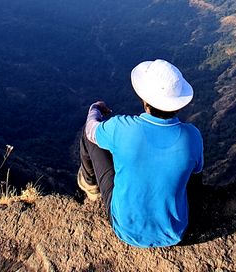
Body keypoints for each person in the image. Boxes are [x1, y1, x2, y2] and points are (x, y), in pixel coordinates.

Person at [77, 58, 204, 248]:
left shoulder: (121, 127)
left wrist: (94, 110)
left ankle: (89, 185)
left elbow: (91, 130)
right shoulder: (193, 137)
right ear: (177, 104)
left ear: (145, 102)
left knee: (89, 138)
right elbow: (195, 181)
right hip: (175, 232)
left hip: (125, 229)